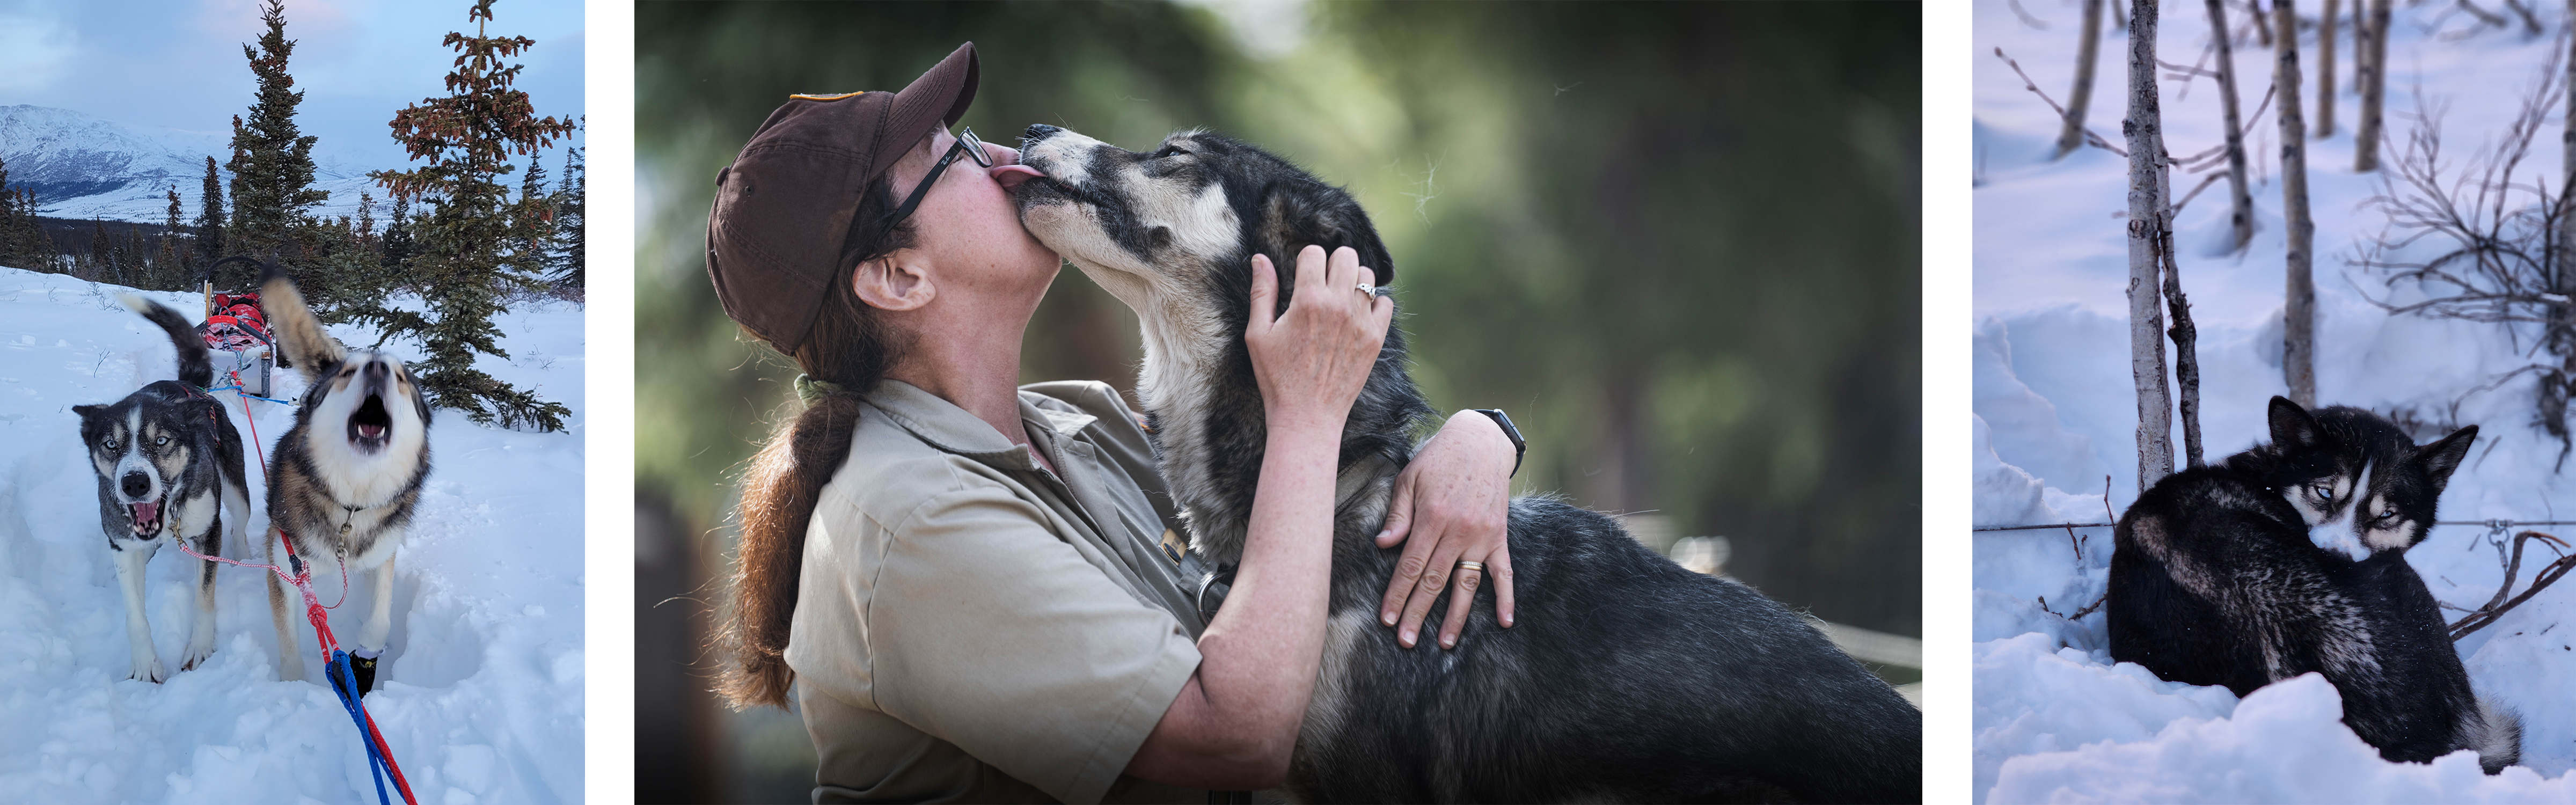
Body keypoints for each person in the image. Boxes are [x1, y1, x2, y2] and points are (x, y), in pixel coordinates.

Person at [704, 43, 1521, 803]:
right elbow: (1235, 737)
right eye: (952, 157)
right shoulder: (909, 520)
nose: (999, 156)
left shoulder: (1074, 425)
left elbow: (1307, 532)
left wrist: (1480, 438)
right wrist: (1309, 418)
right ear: (897, 276)